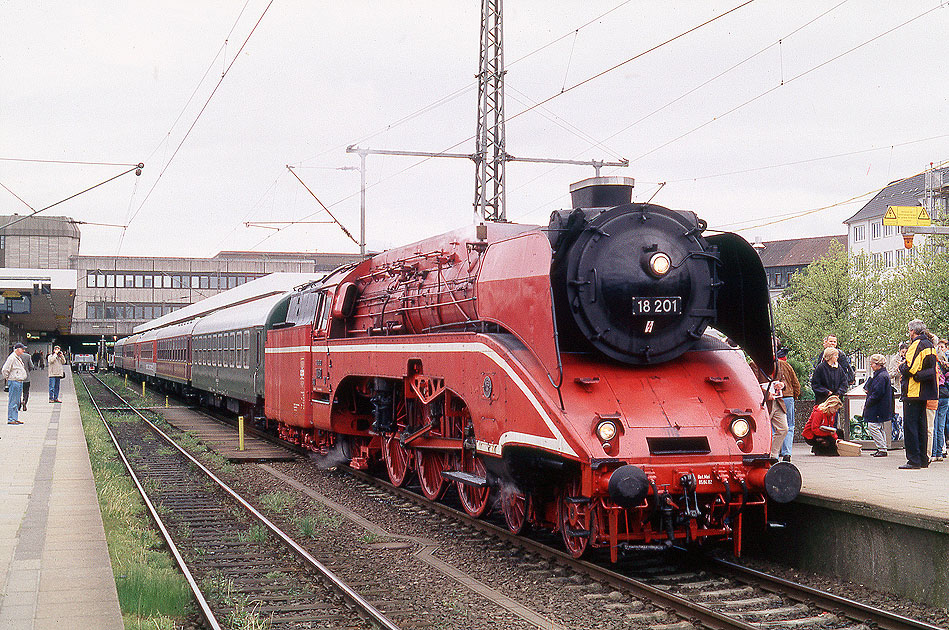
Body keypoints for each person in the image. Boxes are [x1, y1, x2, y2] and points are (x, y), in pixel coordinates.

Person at [898, 319, 937, 470]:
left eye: (909, 330)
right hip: (925, 391)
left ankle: (913, 460)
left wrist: (902, 368)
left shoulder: (916, 345)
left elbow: (911, 368)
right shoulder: (930, 345)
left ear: (913, 331)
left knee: (911, 426)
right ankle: (922, 459)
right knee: (922, 425)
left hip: (913, 390)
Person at [863, 353, 893, 457]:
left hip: (877, 406)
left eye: (872, 364)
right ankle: (882, 447)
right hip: (882, 406)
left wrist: (868, 402)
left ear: (878, 364)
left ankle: (882, 448)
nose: (871, 366)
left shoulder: (880, 377)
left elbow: (877, 393)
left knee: (873, 426)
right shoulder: (882, 375)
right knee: (879, 427)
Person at [776, 347, 801, 462]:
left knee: (775, 427)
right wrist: (794, 395)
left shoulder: (771, 365)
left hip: (775, 397)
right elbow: (796, 384)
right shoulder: (787, 366)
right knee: (789, 426)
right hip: (788, 397)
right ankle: (787, 452)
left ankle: (774, 453)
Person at [2, 343, 29, 425]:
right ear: (17, 349)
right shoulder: (12, 358)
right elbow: (5, 369)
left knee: (17, 401)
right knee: (13, 400)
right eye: (22, 349)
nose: (23, 351)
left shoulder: (18, 358)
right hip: (14, 381)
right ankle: (11, 418)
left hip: (19, 381)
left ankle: (15, 417)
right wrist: (8, 377)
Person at [932, 339, 949, 461]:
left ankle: (934, 452)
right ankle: (940, 451)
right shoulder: (945, 366)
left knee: (933, 424)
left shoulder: (935, 366)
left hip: (937, 393)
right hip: (945, 394)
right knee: (941, 426)